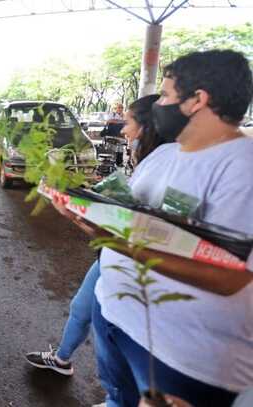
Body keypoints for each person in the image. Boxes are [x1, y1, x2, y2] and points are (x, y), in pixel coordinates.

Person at [50, 50, 253, 406]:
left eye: (165, 95)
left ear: (197, 101)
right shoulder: (163, 155)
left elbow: (231, 277)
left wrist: (115, 242)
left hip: (179, 356)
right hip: (114, 316)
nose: (158, 104)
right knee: (117, 396)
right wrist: (83, 205)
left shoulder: (241, 168)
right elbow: (126, 213)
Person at [24, 94, 164, 378]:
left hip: (129, 266)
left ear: (148, 126)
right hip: (111, 255)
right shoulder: (150, 163)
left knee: (109, 332)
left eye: (129, 122)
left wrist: (76, 213)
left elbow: (136, 230)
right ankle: (63, 358)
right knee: (82, 307)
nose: (123, 130)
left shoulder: (165, 165)